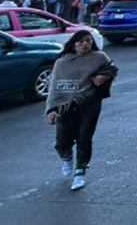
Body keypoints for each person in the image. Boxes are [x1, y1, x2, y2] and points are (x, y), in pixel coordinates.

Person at [44, 31, 118, 191]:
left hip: (89, 104)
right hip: (66, 105)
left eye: (88, 41)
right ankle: (66, 157)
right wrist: (51, 109)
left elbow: (112, 69)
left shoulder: (99, 57)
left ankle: (80, 171)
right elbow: (54, 87)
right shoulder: (62, 62)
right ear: (73, 44)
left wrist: (104, 76)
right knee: (62, 140)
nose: (85, 44)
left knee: (85, 137)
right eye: (81, 41)